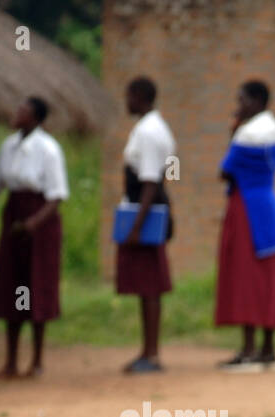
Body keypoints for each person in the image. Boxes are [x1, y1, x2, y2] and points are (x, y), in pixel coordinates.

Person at [0, 96, 69, 379]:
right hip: (14, 217)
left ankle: (37, 361)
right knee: (12, 287)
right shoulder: (9, 147)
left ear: (36, 118)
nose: (16, 112)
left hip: (40, 221)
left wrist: (33, 224)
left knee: (36, 287)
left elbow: (56, 196)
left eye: (23, 110)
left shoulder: (48, 149)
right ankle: (10, 362)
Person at [214, 79, 275, 370]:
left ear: (257, 102)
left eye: (242, 100)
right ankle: (268, 348)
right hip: (268, 205)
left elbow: (225, 172)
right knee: (268, 275)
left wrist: (233, 134)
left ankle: (247, 350)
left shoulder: (245, 134)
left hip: (245, 208)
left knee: (244, 275)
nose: (238, 106)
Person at [117, 77, 176, 374]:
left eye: (128, 95)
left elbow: (150, 183)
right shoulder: (148, 127)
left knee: (150, 284)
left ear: (139, 96)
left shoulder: (150, 132)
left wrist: (137, 227)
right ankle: (147, 351)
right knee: (144, 285)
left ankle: (152, 354)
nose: (125, 101)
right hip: (145, 210)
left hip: (148, 213)